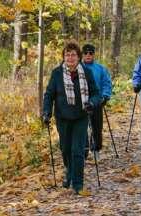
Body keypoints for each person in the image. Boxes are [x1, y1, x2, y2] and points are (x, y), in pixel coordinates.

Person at [42, 40, 101, 194]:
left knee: (78, 150)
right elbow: (49, 95)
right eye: (67, 55)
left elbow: (95, 93)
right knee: (65, 149)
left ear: (78, 57)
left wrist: (92, 103)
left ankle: (78, 184)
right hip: (63, 117)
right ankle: (69, 172)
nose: (70, 58)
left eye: (73, 55)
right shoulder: (56, 73)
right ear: (63, 57)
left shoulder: (86, 73)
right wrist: (46, 112)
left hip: (81, 116)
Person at [82, 44, 112, 161]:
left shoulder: (100, 69)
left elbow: (106, 83)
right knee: (82, 127)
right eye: (86, 53)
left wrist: (105, 96)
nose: (88, 55)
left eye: (91, 53)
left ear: (94, 54)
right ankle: (83, 151)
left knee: (96, 126)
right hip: (81, 102)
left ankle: (96, 149)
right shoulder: (77, 67)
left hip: (97, 101)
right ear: (82, 54)